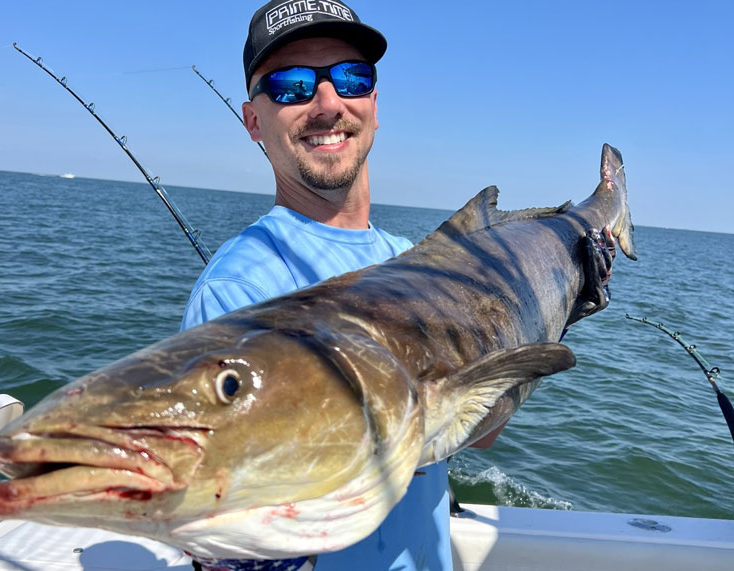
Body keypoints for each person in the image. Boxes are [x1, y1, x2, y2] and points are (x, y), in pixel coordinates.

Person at [182, 1, 614, 569]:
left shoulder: (408, 257)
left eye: (352, 78)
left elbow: (476, 431)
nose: (328, 104)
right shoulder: (237, 290)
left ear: (374, 106)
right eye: (291, 85)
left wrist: (557, 310)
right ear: (253, 121)